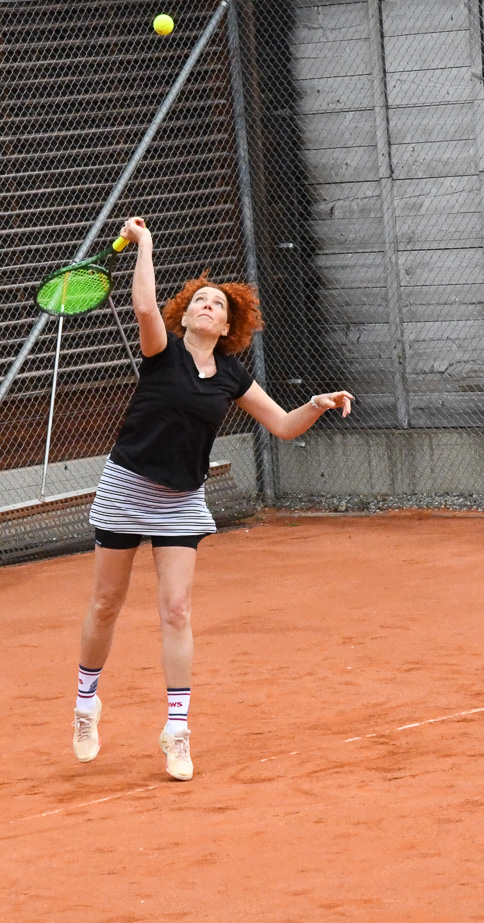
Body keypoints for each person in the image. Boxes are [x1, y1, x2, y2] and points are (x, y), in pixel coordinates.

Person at [72, 216, 353, 781]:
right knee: (107, 603)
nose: (206, 306)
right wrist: (144, 246)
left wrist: (317, 404)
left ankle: (177, 731)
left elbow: (281, 425)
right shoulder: (162, 351)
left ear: (228, 324)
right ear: (187, 314)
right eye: (198, 300)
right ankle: (86, 705)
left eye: (216, 304)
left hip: (180, 499)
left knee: (176, 609)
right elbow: (147, 309)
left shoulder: (231, 374)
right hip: (128, 485)